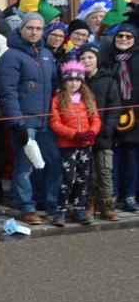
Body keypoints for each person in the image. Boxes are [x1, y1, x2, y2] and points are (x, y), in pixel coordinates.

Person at [0, 12, 60, 224]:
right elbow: (8, 93)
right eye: (30, 28)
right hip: (24, 122)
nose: (34, 32)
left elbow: (54, 87)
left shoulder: (46, 54)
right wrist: (17, 123)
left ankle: (51, 203)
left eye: (38, 28)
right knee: (25, 166)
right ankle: (26, 207)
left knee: (53, 161)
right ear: (21, 29)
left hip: (46, 121)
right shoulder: (10, 56)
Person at [48, 61, 100, 226]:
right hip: (68, 145)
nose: (74, 83)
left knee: (82, 178)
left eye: (77, 80)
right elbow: (55, 122)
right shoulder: (58, 99)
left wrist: (92, 131)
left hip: (85, 144)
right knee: (68, 178)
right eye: (70, 80)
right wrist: (73, 134)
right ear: (64, 81)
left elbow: (95, 118)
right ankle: (61, 211)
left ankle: (79, 209)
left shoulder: (87, 98)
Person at [76, 43, 121, 220]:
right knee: (87, 172)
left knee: (105, 171)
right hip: (82, 135)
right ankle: (89, 203)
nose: (86, 61)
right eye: (82, 58)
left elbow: (114, 107)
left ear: (97, 60)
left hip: (103, 135)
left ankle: (107, 204)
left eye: (90, 57)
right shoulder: (76, 82)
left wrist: (107, 128)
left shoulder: (108, 81)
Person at [100, 21, 139, 211]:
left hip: (135, 116)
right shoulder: (107, 59)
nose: (124, 39)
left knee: (131, 158)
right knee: (112, 159)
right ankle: (112, 195)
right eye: (120, 36)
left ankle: (130, 195)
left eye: (128, 36)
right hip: (112, 115)